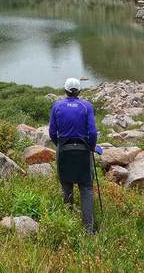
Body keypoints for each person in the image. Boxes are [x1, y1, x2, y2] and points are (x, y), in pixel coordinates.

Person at [49, 77, 98, 234]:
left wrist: (60, 145)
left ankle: (68, 222)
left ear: (65, 90)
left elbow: (52, 132)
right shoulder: (86, 106)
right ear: (79, 91)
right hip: (83, 150)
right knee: (86, 188)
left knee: (66, 185)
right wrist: (91, 147)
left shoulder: (57, 106)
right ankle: (89, 229)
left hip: (64, 149)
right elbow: (92, 132)